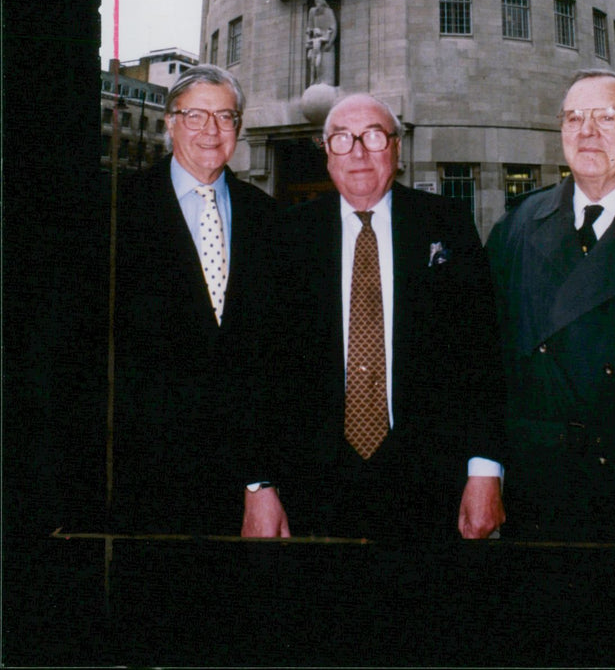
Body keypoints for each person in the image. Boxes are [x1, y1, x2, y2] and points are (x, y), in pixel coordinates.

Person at [242, 92, 506, 541]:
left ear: (397, 149)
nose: (359, 152)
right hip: (311, 483)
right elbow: (257, 365)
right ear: (327, 154)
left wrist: (485, 472)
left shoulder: (447, 224)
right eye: (342, 138)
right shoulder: (286, 234)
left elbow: (481, 352)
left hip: (428, 480)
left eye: (373, 136)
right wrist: (258, 484)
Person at [487, 70, 615, 541]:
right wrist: (485, 471)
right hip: (540, 494)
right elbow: (486, 366)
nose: (586, 131)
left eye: (607, 117)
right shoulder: (516, 227)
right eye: (573, 118)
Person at [111, 64, 288, 536]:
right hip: (136, 485)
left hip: (245, 491)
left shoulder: (271, 222)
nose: (211, 130)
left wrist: (262, 481)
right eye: (196, 116)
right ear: (170, 122)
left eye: (225, 117)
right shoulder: (114, 212)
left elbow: (281, 362)